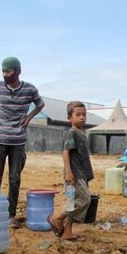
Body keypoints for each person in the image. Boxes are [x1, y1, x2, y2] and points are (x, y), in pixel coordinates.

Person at [0, 57, 45, 228]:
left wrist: (28, 118)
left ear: (18, 71)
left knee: (14, 179)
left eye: (9, 71)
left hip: (18, 140)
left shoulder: (30, 89)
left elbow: (40, 105)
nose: (5, 75)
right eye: (3, 72)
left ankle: (10, 214)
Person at [47, 101, 93, 241]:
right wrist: (69, 173)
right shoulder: (72, 133)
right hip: (74, 175)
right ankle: (57, 218)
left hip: (82, 175)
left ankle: (67, 232)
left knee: (73, 202)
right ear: (69, 118)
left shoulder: (81, 134)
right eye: (78, 114)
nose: (82, 117)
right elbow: (66, 152)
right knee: (85, 200)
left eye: (84, 115)